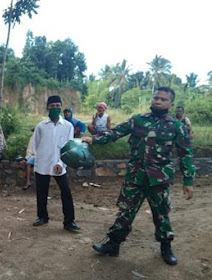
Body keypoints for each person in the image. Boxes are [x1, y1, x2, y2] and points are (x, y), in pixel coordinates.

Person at [83, 87, 195, 266]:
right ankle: (113, 245)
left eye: (163, 99)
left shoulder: (177, 126)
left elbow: (186, 153)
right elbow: (115, 133)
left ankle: (166, 247)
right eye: (156, 98)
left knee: (161, 214)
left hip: (158, 179)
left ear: (170, 104)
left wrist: (188, 181)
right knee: (125, 212)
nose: (158, 101)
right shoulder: (138, 120)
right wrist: (94, 139)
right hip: (135, 177)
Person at [32, 95, 81, 232]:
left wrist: (61, 163)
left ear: (61, 107)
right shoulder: (41, 126)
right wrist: (38, 159)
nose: (55, 108)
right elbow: (35, 145)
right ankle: (42, 217)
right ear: (47, 107)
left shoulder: (68, 126)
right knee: (41, 192)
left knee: (66, 191)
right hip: (42, 163)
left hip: (60, 165)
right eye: (52, 106)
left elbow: (68, 147)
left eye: (58, 105)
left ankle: (69, 221)